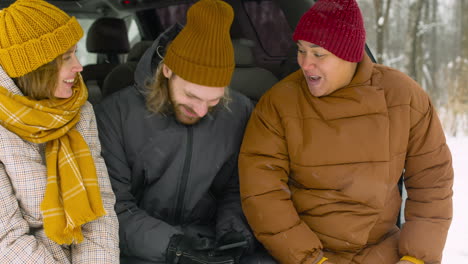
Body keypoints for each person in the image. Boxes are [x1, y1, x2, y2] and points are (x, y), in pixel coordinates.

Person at [238, 0, 453, 264]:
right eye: (301, 50)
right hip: (302, 253)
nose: (305, 64)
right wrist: (311, 259)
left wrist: (415, 258)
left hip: (383, 251)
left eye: (318, 54)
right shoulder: (278, 104)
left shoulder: (403, 96)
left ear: (349, 54)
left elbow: (432, 181)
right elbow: (262, 192)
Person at [95, 0, 274, 263]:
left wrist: (234, 234)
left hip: (208, 242)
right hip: (139, 247)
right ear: (168, 69)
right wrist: (174, 246)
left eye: (213, 101)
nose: (201, 111)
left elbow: (238, 189)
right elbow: (110, 207)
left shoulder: (240, 112)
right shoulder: (114, 115)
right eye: (191, 96)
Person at [0, 0, 120, 263]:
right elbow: (6, 239)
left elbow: (100, 209)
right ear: (35, 67)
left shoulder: (81, 110)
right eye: (66, 57)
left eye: (75, 52)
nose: (79, 66)